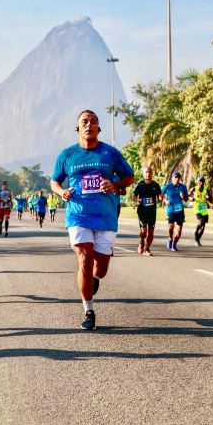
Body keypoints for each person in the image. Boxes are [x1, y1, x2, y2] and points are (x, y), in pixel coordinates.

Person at [51, 110, 134, 330]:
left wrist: (115, 186)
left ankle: (94, 279)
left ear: (99, 128)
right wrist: (62, 192)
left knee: (101, 269)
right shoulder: (67, 155)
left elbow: (129, 176)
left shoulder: (110, 153)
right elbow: (54, 182)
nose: (89, 125)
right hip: (78, 214)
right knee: (84, 259)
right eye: (85, 122)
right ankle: (88, 310)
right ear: (77, 128)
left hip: (106, 216)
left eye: (94, 122)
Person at [133, 166, 161, 256]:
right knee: (144, 231)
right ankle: (141, 242)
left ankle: (147, 248)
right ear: (143, 174)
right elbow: (134, 196)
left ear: (152, 173)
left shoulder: (156, 185)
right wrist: (137, 200)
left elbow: (159, 197)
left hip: (152, 212)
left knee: (151, 232)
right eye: (146, 172)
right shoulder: (140, 185)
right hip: (142, 212)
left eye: (149, 172)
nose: (148, 174)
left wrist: (161, 198)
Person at [161, 172, 189, 252]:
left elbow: (186, 199)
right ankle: (170, 238)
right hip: (171, 210)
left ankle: (174, 244)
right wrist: (165, 200)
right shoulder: (168, 186)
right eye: (176, 177)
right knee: (171, 227)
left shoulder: (183, 187)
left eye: (178, 177)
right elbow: (160, 195)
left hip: (180, 210)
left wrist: (183, 196)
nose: (177, 179)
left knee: (179, 229)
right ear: (172, 178)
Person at [189, 176, 212, 247]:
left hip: (204, 208)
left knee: (203, 226)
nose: (201, 183)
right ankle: (196, 232)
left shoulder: (206, 190)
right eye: (200, 181)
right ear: (197, 182)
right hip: (197, 207)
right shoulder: (194, 189)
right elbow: (188, 196)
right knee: (201, 221)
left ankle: (197, 240)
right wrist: (191, 198)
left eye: (202, 181)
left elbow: (211, 199)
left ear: (204, 182)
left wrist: (208, 198)